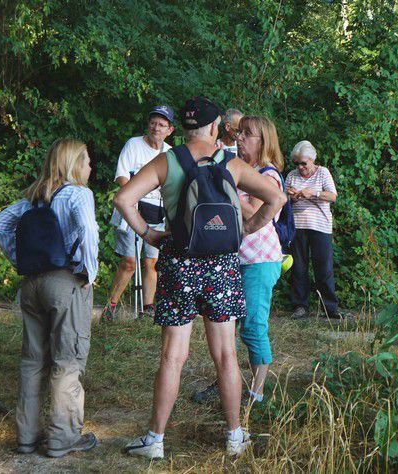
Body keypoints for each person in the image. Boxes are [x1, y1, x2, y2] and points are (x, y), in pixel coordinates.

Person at [115, 97, 286, 459]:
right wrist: (247, 229)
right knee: (225, 355)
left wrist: (148, 234)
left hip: (179, 262)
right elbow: (276, 198)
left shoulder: (169, 159)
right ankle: (235, 435)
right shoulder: (231, 162)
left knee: (171, 356)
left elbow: (124, 198)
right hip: (222, 265)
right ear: (215, 127)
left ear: (187, 128)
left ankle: (155, 439)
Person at [0, 139, 99, 457]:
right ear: (75, 163)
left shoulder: (33, 198)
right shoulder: (79, 194)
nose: (91, 167)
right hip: (65, 282)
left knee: (32, 361)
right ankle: (62, 438)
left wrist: (19, 260)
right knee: (68, 361)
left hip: (32, 285)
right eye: (88, 160)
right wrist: (88, 272)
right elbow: (88, 230)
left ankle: (26, 437)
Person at [193, 116, 285, 406]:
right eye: (240, 132)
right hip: (235, 259)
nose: (240, 138)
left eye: (248, 134)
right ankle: (223, 382)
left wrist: (226, 187)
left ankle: (256, 393)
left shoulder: (268, 176)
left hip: (260, 260)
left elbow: (251, 213)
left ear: (264, 141)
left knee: (253, 326)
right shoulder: (246, 170)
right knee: (225, 324)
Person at [101, 106, 175, 320]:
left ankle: (148, 308)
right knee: (129, 262)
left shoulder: (170, 153)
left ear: (170, 130)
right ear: (147, 124)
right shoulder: (133, 145)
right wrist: (135, 194)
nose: (156, 128)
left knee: (152, 262)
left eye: (162, 125)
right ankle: (111, 306)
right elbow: (121, 176)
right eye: (153, 122)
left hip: (158, 214)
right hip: (132, 210)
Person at [285, 140, 340, 319]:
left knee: (323, 268)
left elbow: (333, 196)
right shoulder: (291, 176)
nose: (300, 167)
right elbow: (282, 199)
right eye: (297, 163)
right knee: (298, 268)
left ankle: (330, 308)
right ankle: (299, 306)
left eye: (303, 163)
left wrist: (313, 193)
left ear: (312, 159)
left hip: (320, 227)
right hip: (297, 226)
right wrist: (291, 196)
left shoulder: (323, 172)